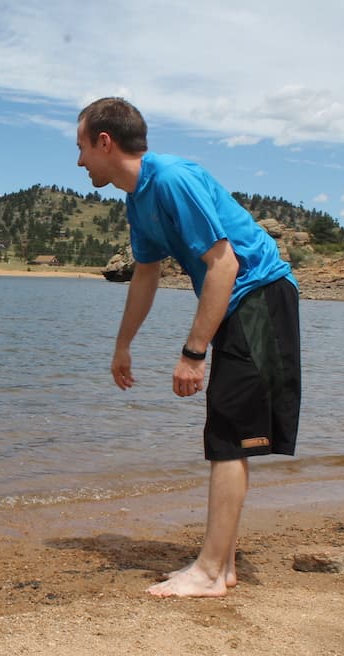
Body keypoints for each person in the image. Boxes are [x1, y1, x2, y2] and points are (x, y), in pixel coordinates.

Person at [76, 97, 301, 597]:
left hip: (259, 296)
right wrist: (123, 345)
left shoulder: (173, 179)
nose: (79, 162)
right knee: (228, 428)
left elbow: (224, 265)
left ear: (105, 142)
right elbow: (147, 274)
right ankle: (222, 566)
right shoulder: (138, 199)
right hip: (240, 303)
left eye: (82, 148)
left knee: (228, 431)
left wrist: (193, 352)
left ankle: (209, 572)